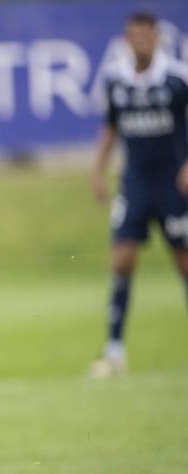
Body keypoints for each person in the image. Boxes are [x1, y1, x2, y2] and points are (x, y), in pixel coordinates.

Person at [90, 11, 188, 378]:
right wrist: (98, 169)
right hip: (134, 185)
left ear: (157, 38)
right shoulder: (116, 80)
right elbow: (111, 128)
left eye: (147, 36)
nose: (141, 42)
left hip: (173, 186)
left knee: (183, 265)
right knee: (121, 263)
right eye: (134, 36)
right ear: (127, 39)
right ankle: (114, 353)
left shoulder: (177, 78)